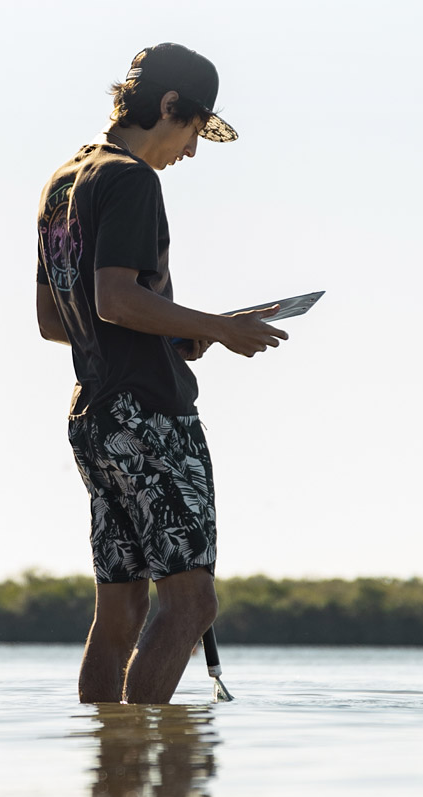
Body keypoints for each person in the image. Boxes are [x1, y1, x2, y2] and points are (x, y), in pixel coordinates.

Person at [34, 43, 286, 704]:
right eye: (193, 131)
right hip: (149, 416)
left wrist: (175, 332)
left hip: (94, 416)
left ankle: (112, 789)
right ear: (170, 107)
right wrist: (221, 328)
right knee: (190, 604)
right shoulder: (132, 180)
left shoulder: (63, 183)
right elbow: (116, 300)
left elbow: (57, 319)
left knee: (119, 617)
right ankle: (155, 776)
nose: (192, 152)